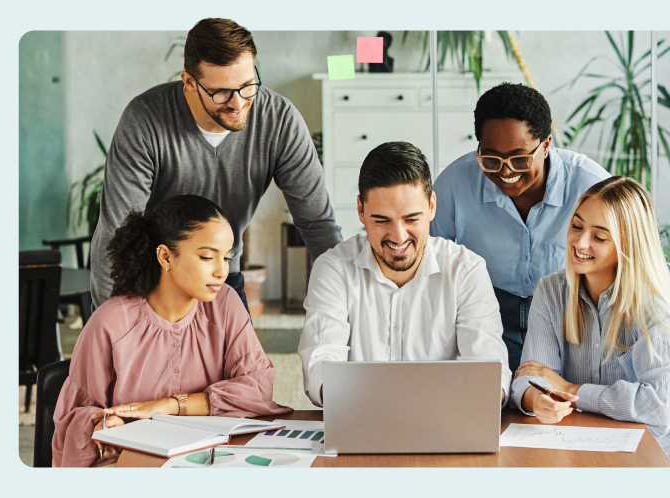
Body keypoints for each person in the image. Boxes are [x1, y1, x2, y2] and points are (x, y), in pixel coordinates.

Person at [430, 82, 670, 370]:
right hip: (488, 312)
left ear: (545, 145)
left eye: (519, 159)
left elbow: (646, 262)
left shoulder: (590, 182)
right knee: (488, 398)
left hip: (570, 314)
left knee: (566, 400)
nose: (506, 171)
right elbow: (428, 261)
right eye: (491, 159)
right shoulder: (454, 184)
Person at [90, 18, 342, 312]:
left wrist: (343, 309)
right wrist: (109, 327)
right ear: (189, 82)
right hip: (157, 280)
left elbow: (317, 225)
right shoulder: (144, 120)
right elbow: (115, 235)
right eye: (221, 92)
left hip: (224, 279)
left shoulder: (280, 121)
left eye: (247, 85)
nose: (237, 103)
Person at [53, 195, 292, 467]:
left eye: (226, 258)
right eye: (207, 257)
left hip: (212, 462)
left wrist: (170, 405)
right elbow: (75, 415)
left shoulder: (225, 304)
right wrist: (105, 423)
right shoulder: (111, 321)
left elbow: (257, 388)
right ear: (165, 256)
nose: (221, 271)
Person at [510, 177, 670, 467]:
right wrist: (535, 399)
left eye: (599, 237)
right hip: (606, 441)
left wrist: (573, 390)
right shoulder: (551, 292)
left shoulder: (655, 306)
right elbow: (531, 373)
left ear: (627, 245)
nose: (580, 242)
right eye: (576, 226)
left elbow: (656, 411)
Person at [298, 142, 511, 407]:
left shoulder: (466, 270)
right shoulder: (333, 269)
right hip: (359, 420)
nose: (398, 236)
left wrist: (482, 397)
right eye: (381, 220)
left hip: (445, 422)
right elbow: (321, 364)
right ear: (361, 211)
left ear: (432, 206)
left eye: (411, 219)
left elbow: (490, 367)